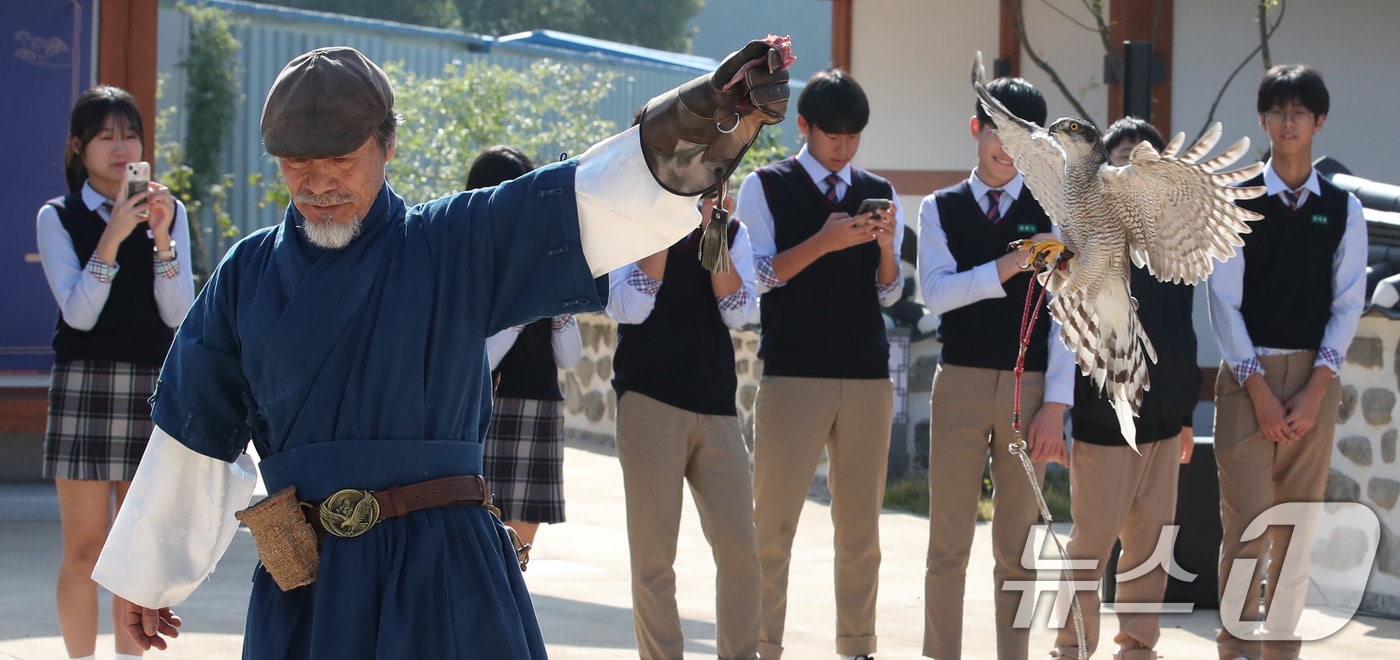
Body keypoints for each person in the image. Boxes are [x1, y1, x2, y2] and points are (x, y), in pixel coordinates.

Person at [88, 41, 788, 659]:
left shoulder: (454, 242)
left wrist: (708, 118)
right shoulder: (248, 274)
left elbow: (582, 196)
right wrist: (148, 575)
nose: (319, 183)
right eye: (297, 165)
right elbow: (195, 428)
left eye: (340, 159)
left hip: (445, 567)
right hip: (310, 581)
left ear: (387, 146)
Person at [734, 68, 902, 660]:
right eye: (833, 135)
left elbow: (888, 294)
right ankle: (758, 645)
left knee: (861, 533)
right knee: (771, 528)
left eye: (854, 135)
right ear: (803, 127)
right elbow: (751, 279)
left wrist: (883, 246)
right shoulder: (766, 186)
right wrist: (826, 242)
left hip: (867, 376)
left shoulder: (878, 188)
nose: (844, 147)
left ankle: (858, 647)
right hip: (792, 373)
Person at [1208, 64, 1366, 660]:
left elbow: (1348, 303)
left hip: (1313, 380)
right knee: (1245, 527)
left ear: (1319, 121)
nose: (1289, 121)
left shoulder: (1342, 209)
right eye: (1278, 111)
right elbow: (1222, 302)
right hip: (1247, 378)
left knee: (1294, 532)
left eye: (1301, 111)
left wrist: (1317, 385)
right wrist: (1260, 391)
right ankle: (1236, 648)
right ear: (1263, 119)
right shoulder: (1237, 198)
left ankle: (1281, 650)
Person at [34, 85, 194, 660]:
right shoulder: (58, 217)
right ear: (79, 147)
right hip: (85, 382)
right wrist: (113, 236)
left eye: (130, 135)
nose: (121, 147)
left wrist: (159, 236)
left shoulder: (169, 211)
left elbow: (179, 313)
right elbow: (79, 314)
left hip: (152, 384)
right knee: (84, 547)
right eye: (106, 137)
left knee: (137, 548)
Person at [915, 75, 1072, 660]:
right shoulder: (939, 207)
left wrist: (1056, 403)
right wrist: (1010, 264)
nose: (1009, 147)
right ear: (977, 128)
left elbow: (1067, 316)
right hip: (956, 381)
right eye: (999, 130)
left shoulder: (1054, 210)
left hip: (1029, 390)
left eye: (1025, 137)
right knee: (947, 542)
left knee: (1017, 543)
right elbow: (936, 294)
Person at [1045, 117, 1201, 660]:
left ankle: (1138, 646)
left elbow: (1184, 333)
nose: (1136, 165)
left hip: (1163, 422)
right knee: (1091, 543)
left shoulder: (1170, 239)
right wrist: (1058, 408)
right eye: (1124, 155)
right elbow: (1062, 322)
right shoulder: (1084, 227)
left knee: (1150, 548)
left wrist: (1183, 415)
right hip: (1103, 417)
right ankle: (1071, 646)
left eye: (1146, 157)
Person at [606, 188, 761, 659]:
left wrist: (711, 230)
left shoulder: (731, 230)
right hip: (649, 401)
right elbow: (630, 307)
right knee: (654, 560)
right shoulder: (628, 224)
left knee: (741, 553)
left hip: (717, 405)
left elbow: (740, 313)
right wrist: (667, 225)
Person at [473, 146, 583, 551]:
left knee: (519, 549)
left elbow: (570, 357)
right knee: (477, 536)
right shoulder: (471, 261)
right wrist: (521, 312)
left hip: (538, 406)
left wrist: (555, 307)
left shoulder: (544, 259)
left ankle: (508, 611)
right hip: (486, 411)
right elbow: (478, 362)